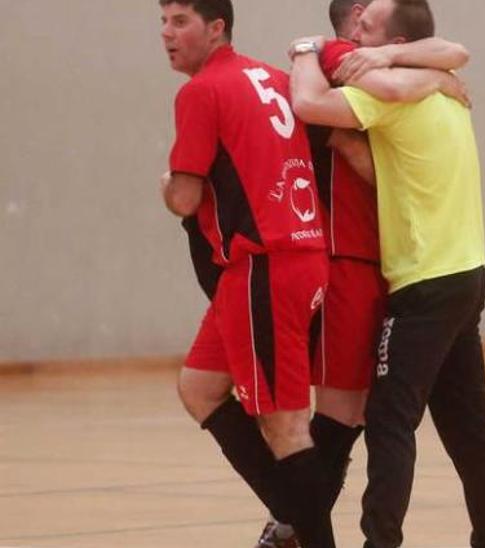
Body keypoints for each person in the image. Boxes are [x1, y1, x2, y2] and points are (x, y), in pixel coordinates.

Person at [289, 1, 485, 546]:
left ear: (394, 42)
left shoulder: (388, 94)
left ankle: (380, 541)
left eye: (367, 25)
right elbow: (392, 163)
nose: (356, 30)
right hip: (466, 273)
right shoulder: (445, 90)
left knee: (390, 421)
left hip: (424, 283)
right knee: (471, 431)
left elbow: (307, 102)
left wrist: (305, 47)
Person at [158, 0, 334, 546]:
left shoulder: (201, 91)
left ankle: (307, 530)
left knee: (285, 426)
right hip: (288, 260)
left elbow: (184, 198)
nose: (167, 33)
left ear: (216, 29)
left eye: (179, 21)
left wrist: (166, 184)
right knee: (200, 388)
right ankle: (296, 517)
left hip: (267, 265)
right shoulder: (276, 78)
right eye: (162, 22)